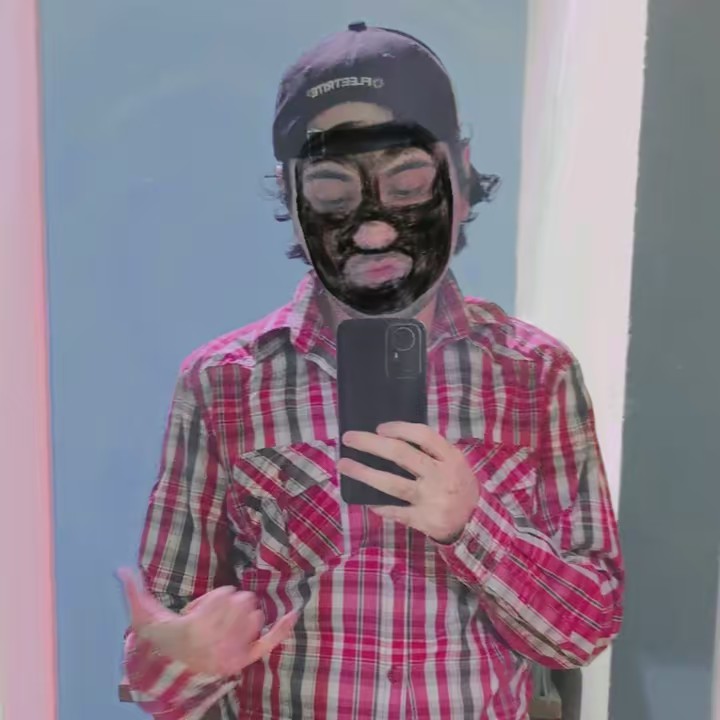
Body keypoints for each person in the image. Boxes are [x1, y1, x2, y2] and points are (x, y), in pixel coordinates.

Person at [119, 22, 624, 720]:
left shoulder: (536, 375)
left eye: (408, 182)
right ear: (292, 198)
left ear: (460, 175)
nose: (375, 228)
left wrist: (471, 524)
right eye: (331, 191)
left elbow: (585, 630)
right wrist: (186, 660)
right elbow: (153, 677)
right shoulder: (222, 383)